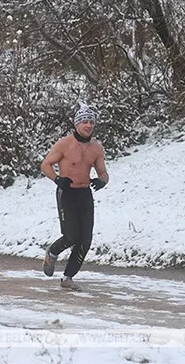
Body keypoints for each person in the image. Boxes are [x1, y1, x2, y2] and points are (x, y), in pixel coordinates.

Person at [40, 104, 109, 290]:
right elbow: (45, 165)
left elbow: (103, 172)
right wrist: (57, 179)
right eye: (85, 122)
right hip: (67, 193)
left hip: (84, 194)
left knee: (85, 239)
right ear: (77, 123)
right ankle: (53, 252)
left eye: (91, 122)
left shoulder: (96, 148)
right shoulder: (64, 144)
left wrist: (102, 181)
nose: (88, 125)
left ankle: (68, 277)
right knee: (71, 236)